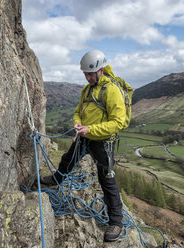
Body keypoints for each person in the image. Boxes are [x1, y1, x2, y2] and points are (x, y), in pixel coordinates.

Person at [40, 50, 126, 242]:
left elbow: (119, 122)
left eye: (90, 74)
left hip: (102, 142)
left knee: (107, 180)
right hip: (85, 136)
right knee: (67, 159)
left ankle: (116, 222)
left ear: (100, 71)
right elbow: (78, 111)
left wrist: (91, 130)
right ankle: (56, 179)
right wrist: (78, 124)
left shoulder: (111, 91)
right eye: (85, 74)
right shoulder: (86, 90)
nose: (87, 78)